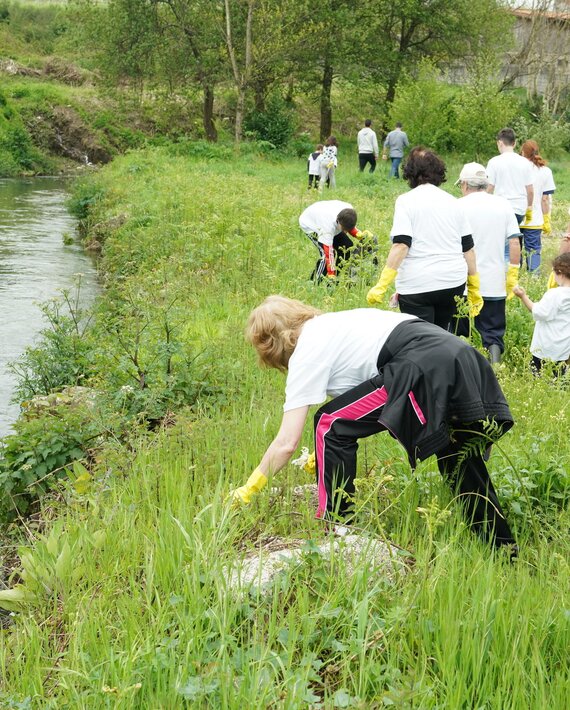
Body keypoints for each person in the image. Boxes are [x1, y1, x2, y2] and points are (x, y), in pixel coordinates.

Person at [231, 296, 517, 553]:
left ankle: (339, 530)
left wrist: (249, 489)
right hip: (459, 356)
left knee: (331, 424)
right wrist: (323, 460)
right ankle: (502, 548)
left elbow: (286, 443)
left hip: (422, 361)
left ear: (270, 343)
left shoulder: (308, 349)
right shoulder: (334, 324)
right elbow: (362, 401)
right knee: (458, 460)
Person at [367, 147, 483, 331]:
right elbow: (468, 248)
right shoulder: (453, 202)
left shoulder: (406, 201)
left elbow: (401, 245)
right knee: (442, 336)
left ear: (410, 173)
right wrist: (474, 286)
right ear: (438, 171)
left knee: (420, 340)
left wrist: (382, 284)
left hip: (417, 286)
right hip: (452, 283)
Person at [456, 162, 522, 364]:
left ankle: (463, 369)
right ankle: (495, 368)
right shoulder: (503, 205)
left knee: (460, 331)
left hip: (463, 280)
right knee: (493, 332)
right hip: (494, 281)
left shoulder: (458, 205)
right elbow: (514, 241)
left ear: (465, 185)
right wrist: (512, 273)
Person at [513, 253, 570, 374]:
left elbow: (539, 312)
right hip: (564, 349)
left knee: (538, 376)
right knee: (559, 379)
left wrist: (523, 296)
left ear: (560, 271)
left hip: (545, 348)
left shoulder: (555, 294)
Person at [299, 200, 360, 282]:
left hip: (324, 214)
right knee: (325, 257)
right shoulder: (327, 227)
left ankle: (336, 279)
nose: (345, 232)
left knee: (347, 246)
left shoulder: (349, 211)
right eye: (343, 229)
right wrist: (331, 273)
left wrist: (361, 236)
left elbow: (349, 226)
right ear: (338, 221)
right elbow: (328, 252)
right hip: (311, 224)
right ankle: (314, 283)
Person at [519, 140, 556, 273]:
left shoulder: (516, 169)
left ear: (522, 152)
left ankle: (514, 278)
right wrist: (546, 219)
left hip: (515, 216)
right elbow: (544, 199)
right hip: (534, 219)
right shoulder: (545, 171)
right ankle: (534, 276)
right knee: (533, 249)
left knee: (514, 248)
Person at [486, 128, 534, 228]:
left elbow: (489, 187)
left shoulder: (494, 162)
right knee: (514, 235)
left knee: (502, 239)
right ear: (515, 143)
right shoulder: (525, 162)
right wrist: (529, 207)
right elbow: (530, 191)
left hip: (500, 209)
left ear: (499, 143)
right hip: (519, 209)